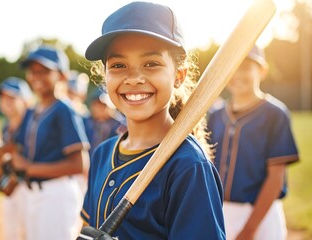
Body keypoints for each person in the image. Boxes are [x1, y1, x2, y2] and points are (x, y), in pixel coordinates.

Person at [79, 2, 225, 239]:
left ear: (178, 76)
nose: (134, 78)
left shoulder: (188, 166)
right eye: (118, 65)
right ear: (104, 76)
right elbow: (87, 226)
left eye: (151, 64)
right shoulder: (102, 153)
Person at [207, 46, 300, 240]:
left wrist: (249, 229)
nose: (238, 74)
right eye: (233, 67)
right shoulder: (215, 116)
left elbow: (276, 178)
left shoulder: (275, 114)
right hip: (219, 210)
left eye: (246, 67)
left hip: (260, 214)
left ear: (262, 70)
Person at [11, 46, 90, 240]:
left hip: (57, 194)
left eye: (45, 71)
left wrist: (29, 168)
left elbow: (79, 164)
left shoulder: (64, 109)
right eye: (33, 71)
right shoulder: (32, 111)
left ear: (62, 76)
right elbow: (19, 147)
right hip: (33, 193)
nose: (36, 76)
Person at [0, 76, 33, 240]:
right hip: (13, 185)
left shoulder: (33, 121)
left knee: (32, 231)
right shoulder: (5, 127)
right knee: (12, 232)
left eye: (12, 97)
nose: (6, 102)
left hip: (34, 187)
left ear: (25, 100)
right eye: (3, 97)